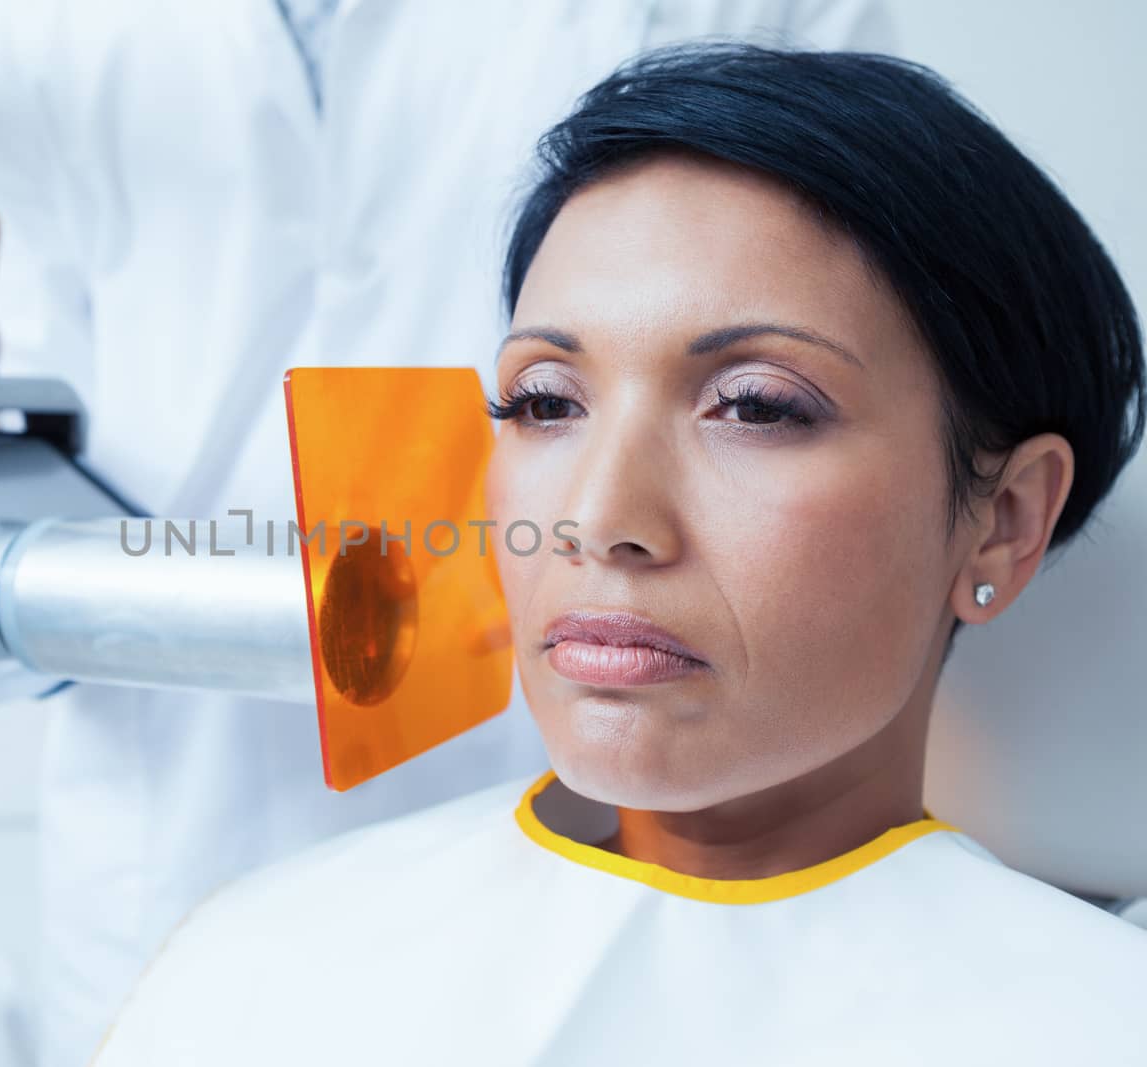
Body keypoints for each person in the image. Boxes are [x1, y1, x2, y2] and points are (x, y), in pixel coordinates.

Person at [0, 3, 899, 1060]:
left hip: (580, 840)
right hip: (162, 840)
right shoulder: (31, 26)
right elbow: (41, 438)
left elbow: (816, 407)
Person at [84, 43, 1147, 1065]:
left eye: (756, 407)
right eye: (543, 401)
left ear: (1004, 519)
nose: (595, 518)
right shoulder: (258, 972)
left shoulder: (1094, 1024)